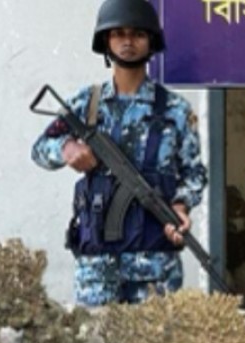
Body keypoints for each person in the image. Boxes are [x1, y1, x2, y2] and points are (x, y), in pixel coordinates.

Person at [32, 0, 207, 307]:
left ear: (151, 41)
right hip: (96, 270)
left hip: (154, 268)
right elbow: (40, 149)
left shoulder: (176, 110)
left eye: (138, 34)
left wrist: (180, 207)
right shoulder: (86, 103)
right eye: (119, 34)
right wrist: (67, 148)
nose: (128, 41)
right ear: (106, 41)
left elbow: (194, 175)